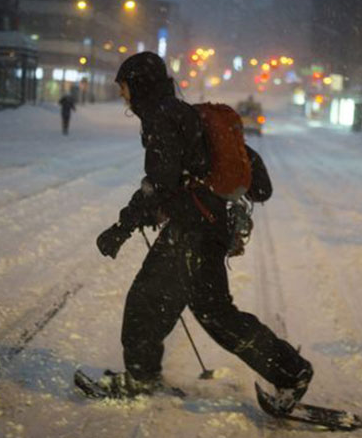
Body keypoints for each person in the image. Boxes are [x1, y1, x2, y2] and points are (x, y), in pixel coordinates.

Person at [95, 51, 313, 411]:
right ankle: (291, 371)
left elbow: (159, 185)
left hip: (192, 231)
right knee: (208, 312)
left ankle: (141, 377)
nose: (123, 95)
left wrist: (123, 227)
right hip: (206, 226)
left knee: (149, 304)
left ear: (140, 85)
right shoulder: (182, 112)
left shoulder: (164, 118)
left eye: (124, 87)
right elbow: (247, 165)